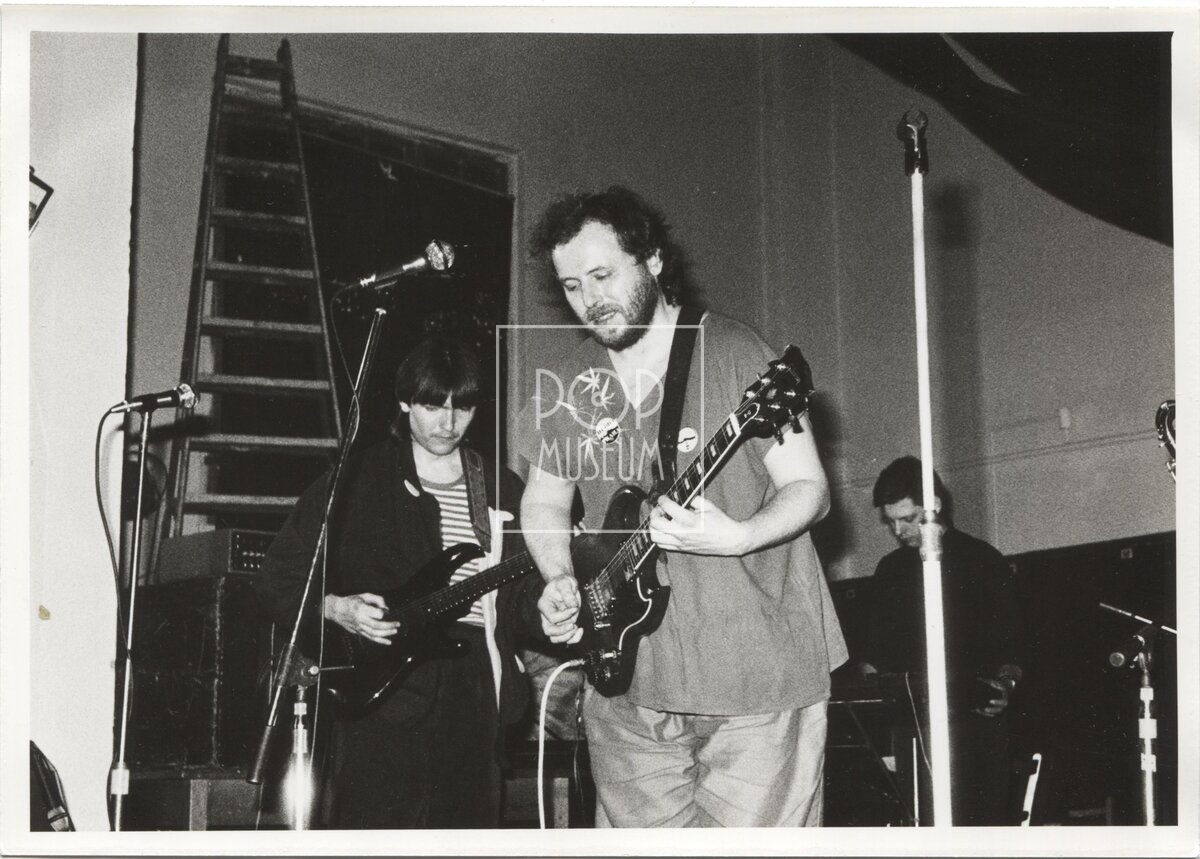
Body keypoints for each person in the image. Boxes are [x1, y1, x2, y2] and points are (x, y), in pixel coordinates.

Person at [517, 186, 848, 827]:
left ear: (653, 260)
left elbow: (809, 489)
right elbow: (544, 499)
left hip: (755, 675)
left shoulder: (734, 351)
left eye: (603, 275)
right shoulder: (572, 386)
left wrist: (740, 536)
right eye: (572, 286)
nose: (590, 299)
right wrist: (560, 576)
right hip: (627, 682)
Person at [255, 335, 542, 828]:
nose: (448, 423)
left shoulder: (501, 488)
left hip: (475, 688)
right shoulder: (357, 478)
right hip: (381, 689)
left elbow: (524, 601)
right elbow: (277, 576)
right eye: (433, 406)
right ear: (406, 402)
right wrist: (336, 607)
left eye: (462, 407)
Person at [858, 455, 1025, 825]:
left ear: (933, 506)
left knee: (978, 829)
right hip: (912, 728)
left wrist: (1006, 684)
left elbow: (1013, 644)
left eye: (908, 519)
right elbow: (875, 652)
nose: (898, 530)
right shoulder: (890, 571)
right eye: (891, 521)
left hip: (974, 727)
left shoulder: (982, 560)